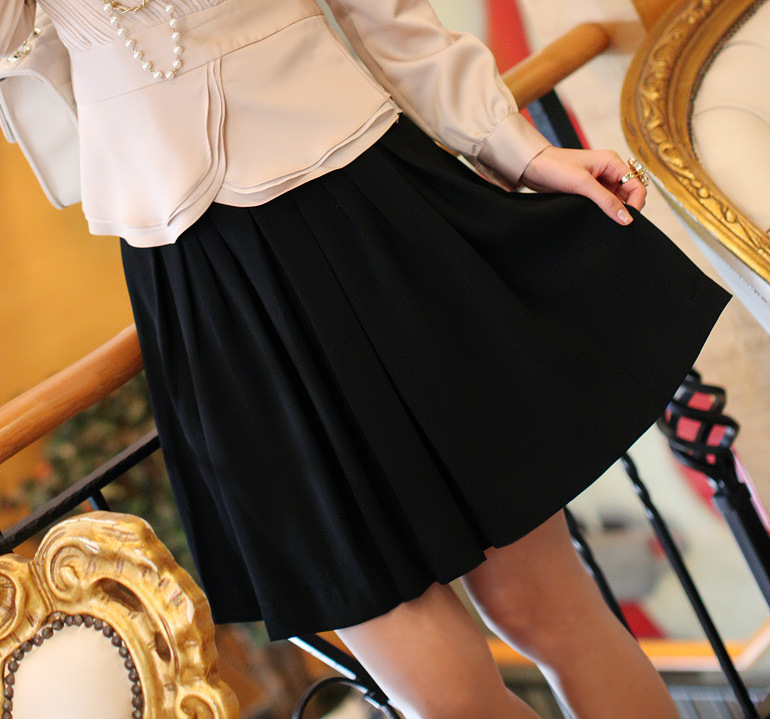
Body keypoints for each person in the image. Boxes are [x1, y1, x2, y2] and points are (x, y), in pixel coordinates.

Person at [1, 0, 730, 716]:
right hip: (204, 287)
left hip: (366, 213)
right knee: (442, 697)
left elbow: (389, 14)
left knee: (545, 609)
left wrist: (519, 150)